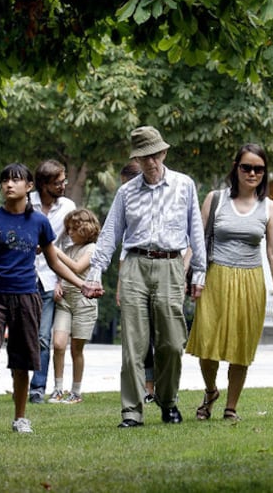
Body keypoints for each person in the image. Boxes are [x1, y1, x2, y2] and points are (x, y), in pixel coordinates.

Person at [83, 126, 206, 427]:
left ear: (163, 152)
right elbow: (110, 233)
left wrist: (199, 271)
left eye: (154, 155)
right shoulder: (126, 192)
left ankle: (168, 401)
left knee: (172, 343)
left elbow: (195, 230)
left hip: (171, 265)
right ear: (136, 159)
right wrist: (94, 272)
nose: (150, 162)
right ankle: (132, 411)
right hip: (135, 264)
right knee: (133, 345)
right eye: (143, 157)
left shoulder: (184, 185)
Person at [0, 163, 100, 437]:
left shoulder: (38, 222)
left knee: (22, 360)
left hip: (28, 297)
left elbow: (54, 262)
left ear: (29, 187)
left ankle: (20, 418)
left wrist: (82, 284)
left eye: (15, 180)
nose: (8, 185)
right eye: (5, 181)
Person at [186, 143, 273, 421]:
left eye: (259, 169)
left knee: (241, 345)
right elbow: (197, 241)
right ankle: (210, 390)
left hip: (250, 279)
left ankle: (231, 407)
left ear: (264, 172)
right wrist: (185, 272)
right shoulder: (215, 199)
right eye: (247, 167)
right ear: (236, 168)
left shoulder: (270, 208)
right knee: (207, 342)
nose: (252, 173)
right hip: (216, 277)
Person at [29, 159, 76, 404]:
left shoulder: (68, 206)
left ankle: (37, 388)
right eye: (58, 182)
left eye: (64, 181)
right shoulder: (27, 203)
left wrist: (60, 280)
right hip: (24, 277)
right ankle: (19, 379)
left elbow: (67, 246)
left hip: (49, 279)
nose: (63, 185)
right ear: (44, 184)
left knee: (43, 338)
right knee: (21, 336)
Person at [48, 208, 101, 404]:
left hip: (83, 303)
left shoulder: (92, 249)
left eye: (73, 229)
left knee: (76, 350)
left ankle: (76, 392)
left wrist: (55, 250)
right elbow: (62, 272)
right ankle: (57, 389)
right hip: (65, 302)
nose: (69, 232)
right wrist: (57, 284)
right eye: (68, 229)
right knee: (58, 344)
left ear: (86, 229)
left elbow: (78, 268)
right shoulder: (69, 249)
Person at [117, 161, 155, 403]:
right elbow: (124, 250)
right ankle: (146, 388)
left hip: (162, 274)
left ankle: (160, 387)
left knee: (161, 337)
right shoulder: (128, 208)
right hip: (134, 274)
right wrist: (121, 287)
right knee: (140, 337)